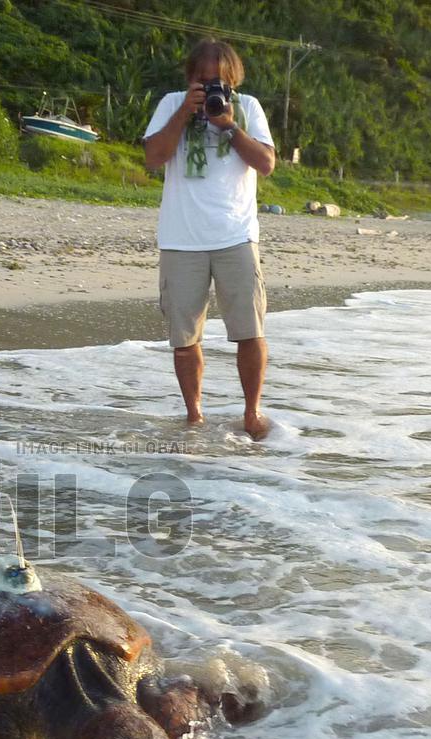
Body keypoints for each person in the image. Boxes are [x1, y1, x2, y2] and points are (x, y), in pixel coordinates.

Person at [143, 39, 275, 439]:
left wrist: (229, 126)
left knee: (250, 331)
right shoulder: (172, 104)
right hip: (181, 238)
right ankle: (194, 415)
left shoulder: (247, 107)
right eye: (203, 81)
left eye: (219, 81)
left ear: (233, 80)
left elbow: (266, 163)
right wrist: (186, 111)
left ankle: (252, 413)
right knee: (185, 338)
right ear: (190, 79)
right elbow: (153, 158)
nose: (212, 88)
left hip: (236, 235)